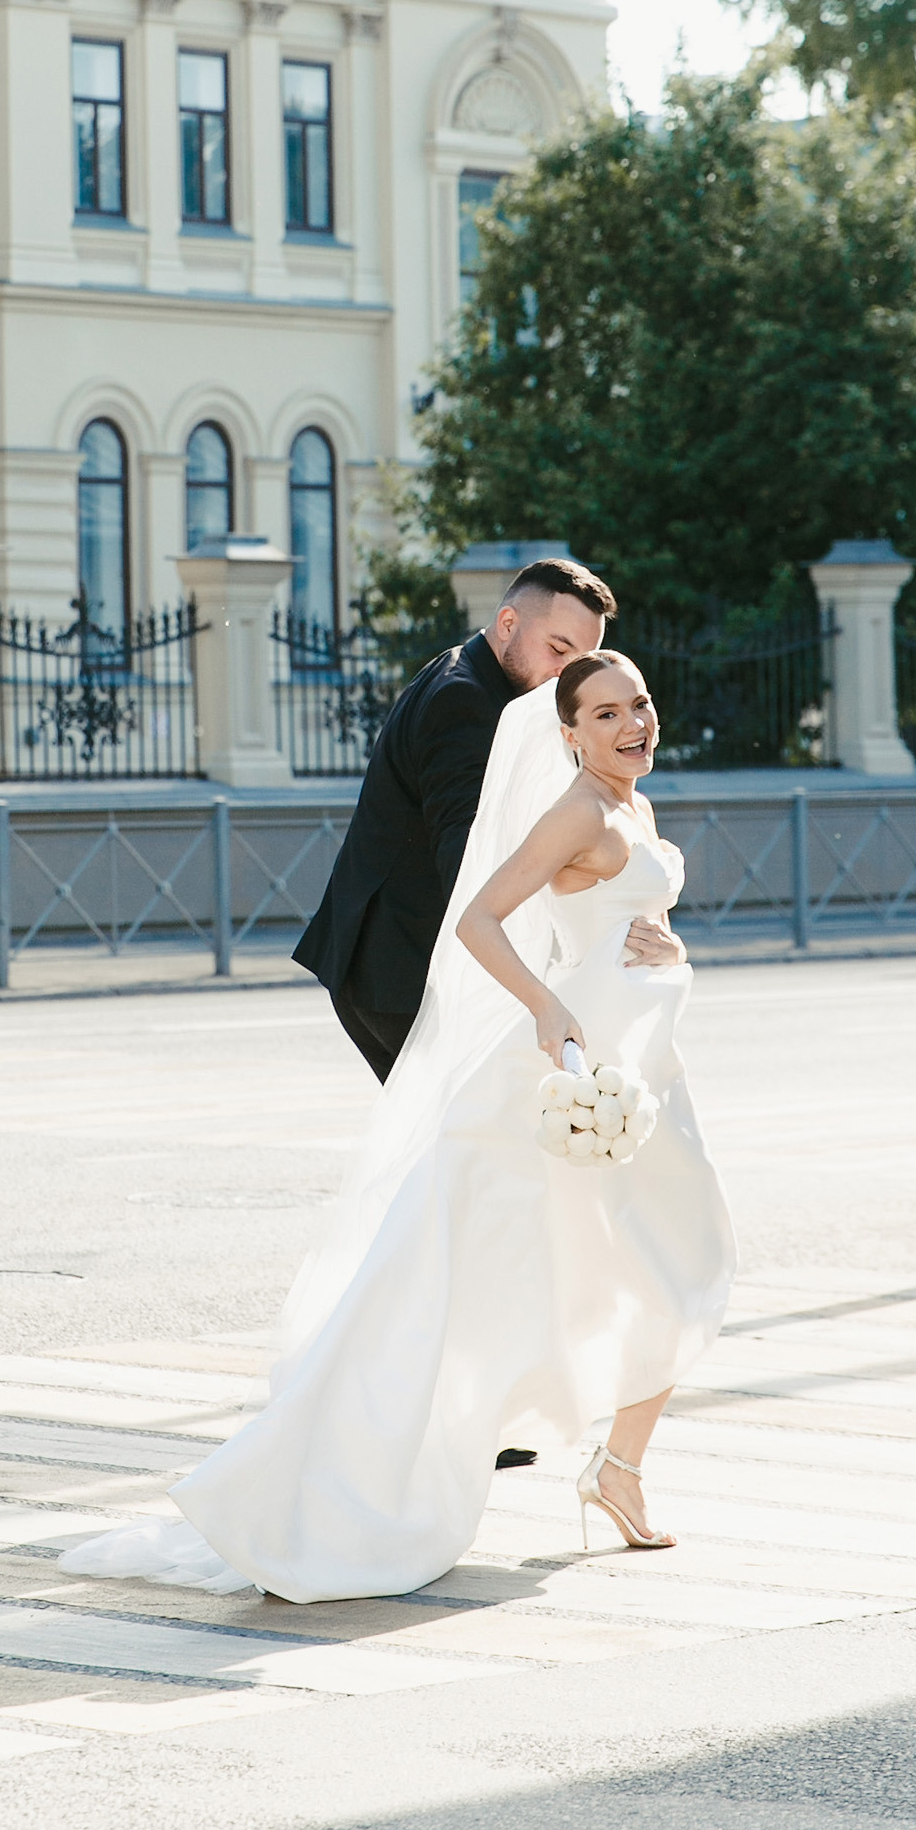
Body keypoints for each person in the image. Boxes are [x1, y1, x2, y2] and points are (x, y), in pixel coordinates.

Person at [59, 648, 736, 1606]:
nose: (636, 723)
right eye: (610, 713)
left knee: (681, 1263)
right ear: (570, 732)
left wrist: (669, 946)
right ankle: (358, 1477)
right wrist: (546, 1010)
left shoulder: (634, 804)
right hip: (571, 1076)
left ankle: (616, 1468)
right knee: (467, 1279)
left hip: (641, 1070)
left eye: (642, 704)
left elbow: (628, 918)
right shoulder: (579, 811)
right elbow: (483, 921)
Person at [293, 557, 618, 1084]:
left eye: (581, 661)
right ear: (509, 623)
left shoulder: (476, 678)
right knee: (458, 1144)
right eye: (558, 651)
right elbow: (468, 856)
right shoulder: (465, 701)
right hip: (402, 973)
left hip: (390, 962)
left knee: (449, 1149)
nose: (567, 676)